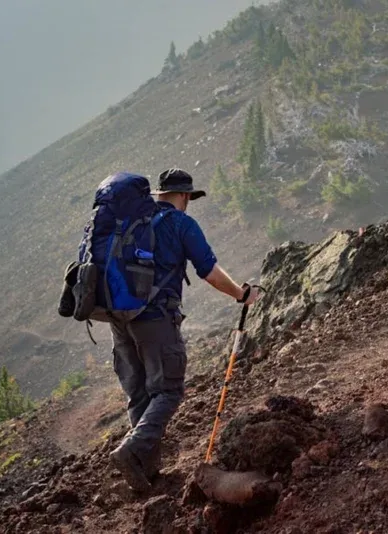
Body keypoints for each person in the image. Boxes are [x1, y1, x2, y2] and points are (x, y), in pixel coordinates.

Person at [109, 168, 260, 492]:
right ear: (184, 196)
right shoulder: (180, 224)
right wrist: (241, 294)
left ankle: (146, 474)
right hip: (155, 318)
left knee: (141, 395)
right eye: (189, 198)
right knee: (168, 391)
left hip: (118, 319)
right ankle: (131, 451)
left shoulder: (128, 222)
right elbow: (209, 270)